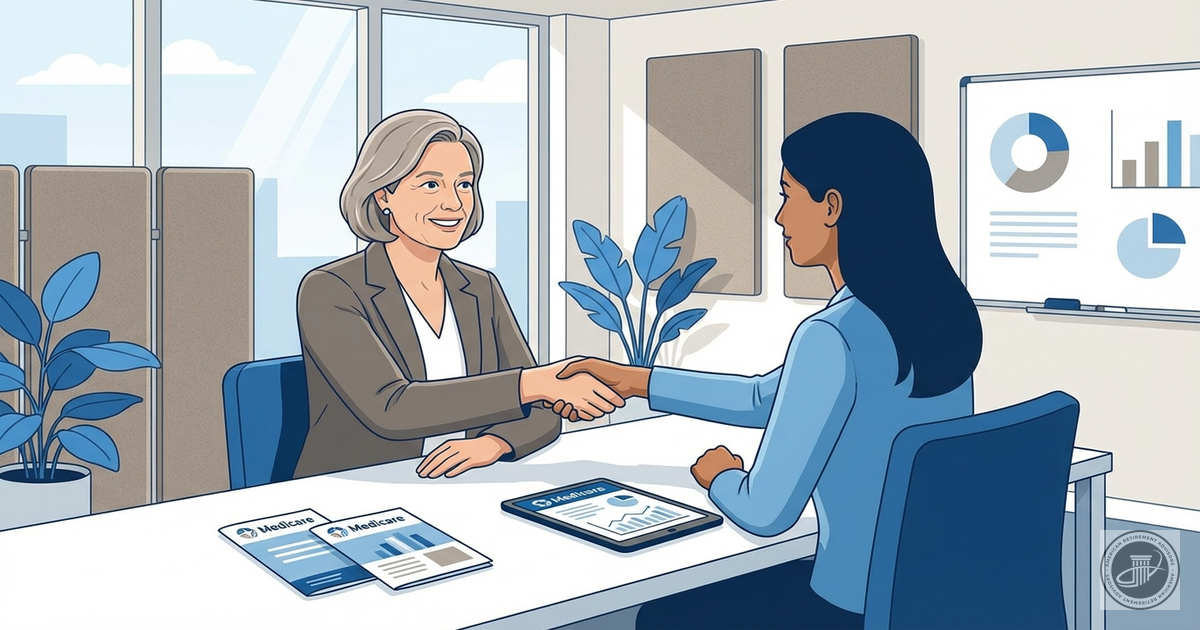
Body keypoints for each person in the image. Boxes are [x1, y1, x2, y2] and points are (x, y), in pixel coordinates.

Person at [554, 112, 984, 629]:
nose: (779, 218)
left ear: (832, 206)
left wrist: (719, 477)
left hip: (851, 608)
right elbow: (767, 399)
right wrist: (636, 380)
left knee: (663, 617)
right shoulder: (939, 317)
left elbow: (764, 513)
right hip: (925, 597)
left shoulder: (832, 335)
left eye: (787, 194)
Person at [294, 109, 623, 481]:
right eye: (431, 185)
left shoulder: (480, 288)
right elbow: (391, 408)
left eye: (464, 184)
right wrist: (533, 384)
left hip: (466, 483)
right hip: (358, 488)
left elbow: (542, 409)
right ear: (384, 195)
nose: (454, 203)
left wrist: (494, 444)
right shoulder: (330, 289)